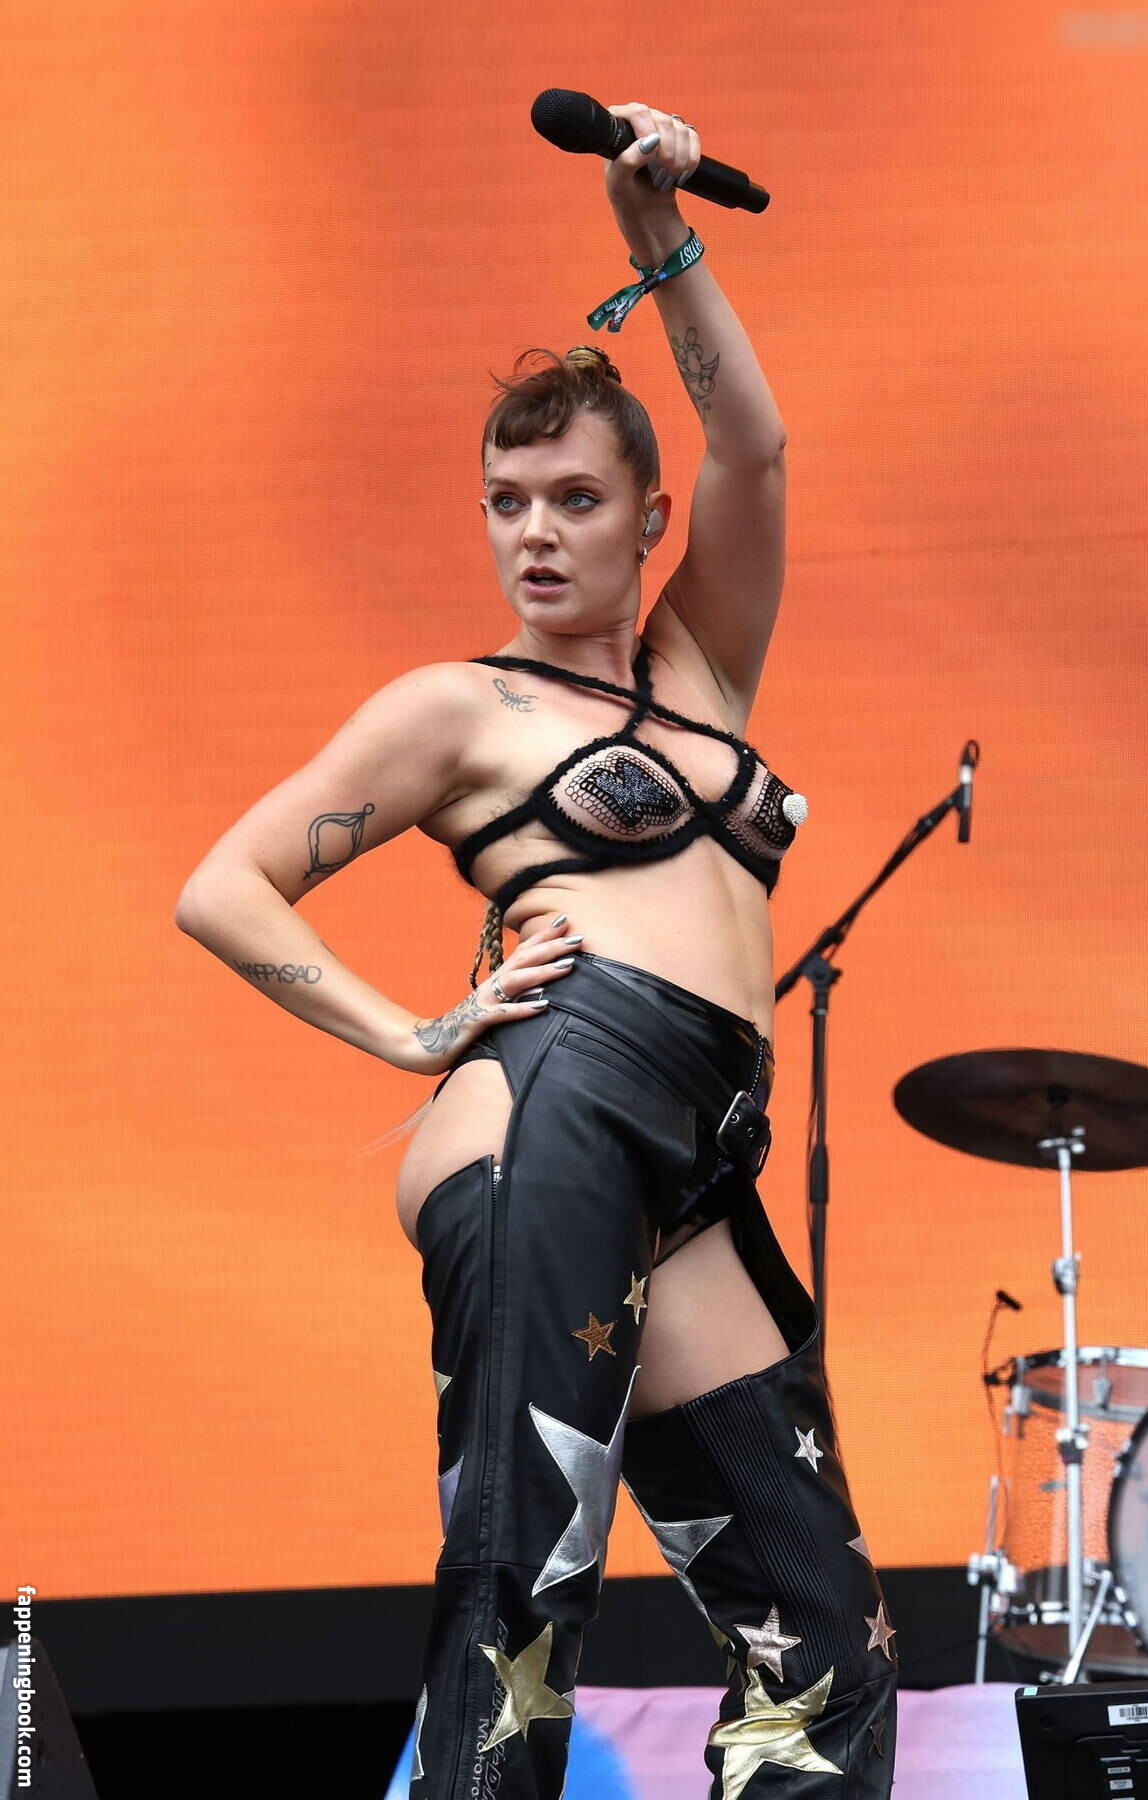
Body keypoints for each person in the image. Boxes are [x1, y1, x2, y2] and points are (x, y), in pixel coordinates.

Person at [175, 101, 897, 1799]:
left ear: (650, 517)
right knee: (523, 1602)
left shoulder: (701, 671)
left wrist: (657, 236)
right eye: (507, 502)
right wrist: (414, 1035)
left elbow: (757, 448)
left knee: (826, 1644)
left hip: (692, 1156)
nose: (536, 533)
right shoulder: (459, 706)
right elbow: (226, 886)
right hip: (559, 1108)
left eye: (577, 498)